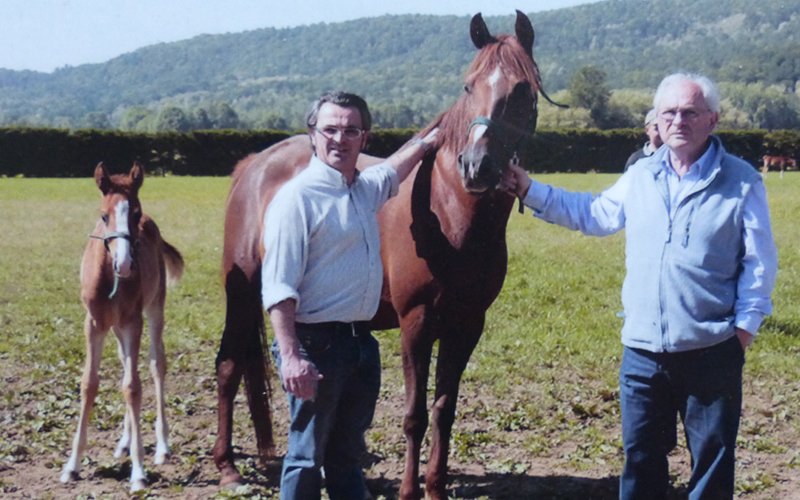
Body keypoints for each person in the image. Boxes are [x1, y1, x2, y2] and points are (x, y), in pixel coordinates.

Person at [501, 73, 777, 499]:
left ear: (712, 120)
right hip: (642, 355)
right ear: (657, 120)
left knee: (712, 463)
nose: (679, 121)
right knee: (641, 460)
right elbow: (594, 213)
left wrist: (743, 331)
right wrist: (529, 189)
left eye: (690, 112)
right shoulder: (642, 174)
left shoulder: (741, 181)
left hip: (711, 353)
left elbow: (759, 262)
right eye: (670, 112)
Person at [261, 90, 439, 500]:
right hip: (314, 346)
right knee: (306, 457)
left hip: (360, 346)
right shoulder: (297, 199)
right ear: (313, 134)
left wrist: (430, 140)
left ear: (364, 138)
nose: (339, 139)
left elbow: (393, 170)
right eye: (330, 130)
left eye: (350, 131)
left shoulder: (361, 189)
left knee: (347, 456)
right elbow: (279, 287)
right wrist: (291, 356)